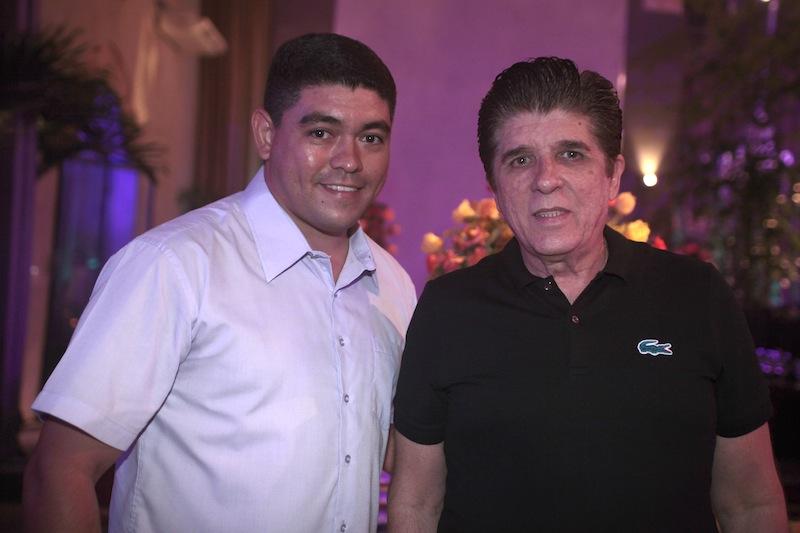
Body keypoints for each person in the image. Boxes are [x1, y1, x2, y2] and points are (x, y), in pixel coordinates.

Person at [23, 33, 416, 533]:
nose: (350, 160)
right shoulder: (174, 266)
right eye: (321, 132)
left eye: (371, 138)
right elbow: (60, 472)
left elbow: (386, 447)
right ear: (266, 134)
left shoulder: (393, 284)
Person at [387, 57, 788, 532]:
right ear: (494, 186)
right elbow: (416, 506)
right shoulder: (448, 309)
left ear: (613, 175)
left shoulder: (697, 296)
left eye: (572, 154)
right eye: (520, 159)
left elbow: (750, 505)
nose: (545, 179)